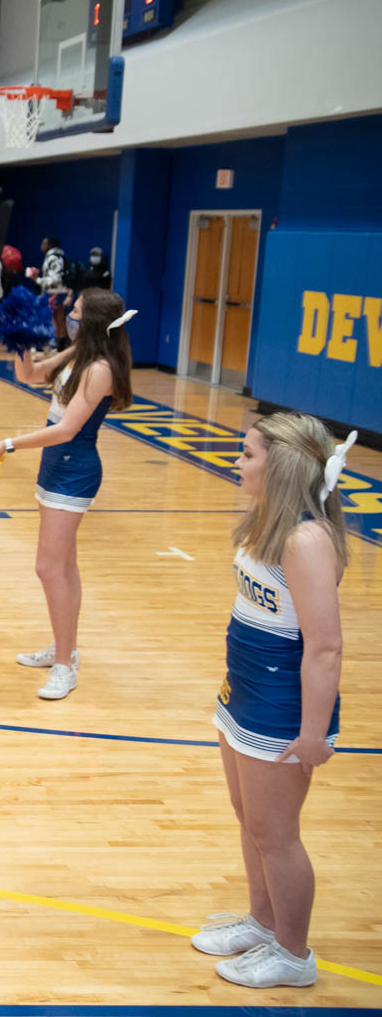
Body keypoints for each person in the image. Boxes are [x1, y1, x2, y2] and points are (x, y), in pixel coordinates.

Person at [183, 413, 351, 989]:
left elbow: (325, 647)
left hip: (282, 706)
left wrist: (312, 734)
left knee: (277, 834)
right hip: (244, 689)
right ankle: (263, 921)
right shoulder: (270, 524)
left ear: (279, 468)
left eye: (248, 454)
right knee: (250, 819)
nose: (238, 462)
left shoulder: (306, 541)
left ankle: (294, 954)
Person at [0, 292, 136, 699]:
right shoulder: (79, 353)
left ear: (94, 321)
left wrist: (9, 444)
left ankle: (65, 667)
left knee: (49, 568)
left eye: (76, 313)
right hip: (56, 464)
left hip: (74, 467)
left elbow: (68, 429)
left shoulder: (100, 368)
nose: (69, 317)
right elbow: (30, 375)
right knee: (64, 568)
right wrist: (20, 337)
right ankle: (63, 647)